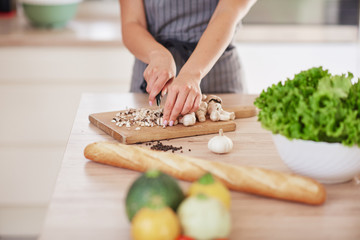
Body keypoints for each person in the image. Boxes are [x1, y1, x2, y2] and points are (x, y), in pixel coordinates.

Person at [120, 0, 256, 127]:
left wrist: (192, 73)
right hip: (152, 72)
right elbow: (131, 22)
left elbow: (229, 11)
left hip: (219, 76)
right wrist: (156, 54)